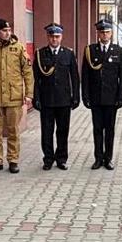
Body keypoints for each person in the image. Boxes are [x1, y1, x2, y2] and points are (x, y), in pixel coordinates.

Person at [0, 19, 32, 174]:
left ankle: (13, 160)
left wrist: (29, 94)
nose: (7, 33)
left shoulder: (18, 48)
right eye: (4, 30)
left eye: (9, 30)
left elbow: (27, 72)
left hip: (13, 97)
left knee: (13, 131)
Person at [81, 19, 122, 170]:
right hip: (95, 98)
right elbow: (85, 75)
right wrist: (85, 96)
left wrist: (121, 97)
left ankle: (108, 159)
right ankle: (98, 158)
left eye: (107, 32)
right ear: (98, 34)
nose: (105, 35)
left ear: (111, 33)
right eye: (102, 32)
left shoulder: (118, 51)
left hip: (111, 98)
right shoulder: (90, 50)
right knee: (97, 129)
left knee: (109, 130)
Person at [33, 23, 81, 170]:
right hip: (47, 100)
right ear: (47, 37)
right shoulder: (40, 54)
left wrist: (76, 97)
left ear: (61, 37)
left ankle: (61, 159)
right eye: (51, 36)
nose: (54, 39)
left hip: (64, 100)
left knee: (62, 131)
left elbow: (74, 77)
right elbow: (36, 79)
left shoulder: (68, 53)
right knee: (47, 131)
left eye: (57, 36)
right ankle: (48, 159)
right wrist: (36, 98)